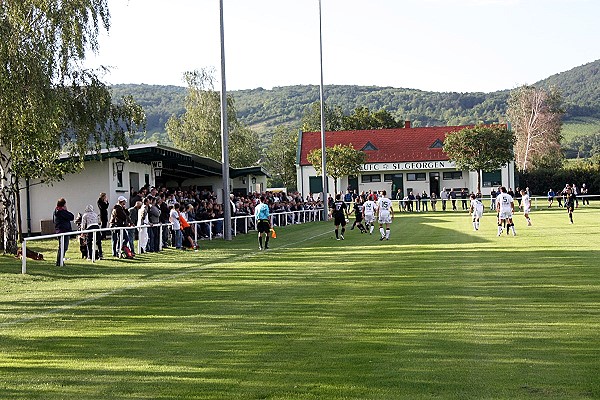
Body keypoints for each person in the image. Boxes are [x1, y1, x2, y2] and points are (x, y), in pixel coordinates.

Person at [53, 198, 74, 266]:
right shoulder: (62, 212)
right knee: (63, 247)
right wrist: (66, 210)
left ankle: (60, 261)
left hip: (59, 230)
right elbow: (71, 216)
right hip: (64, 231)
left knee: (62, 247)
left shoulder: (56, 211)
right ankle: (59, 261)